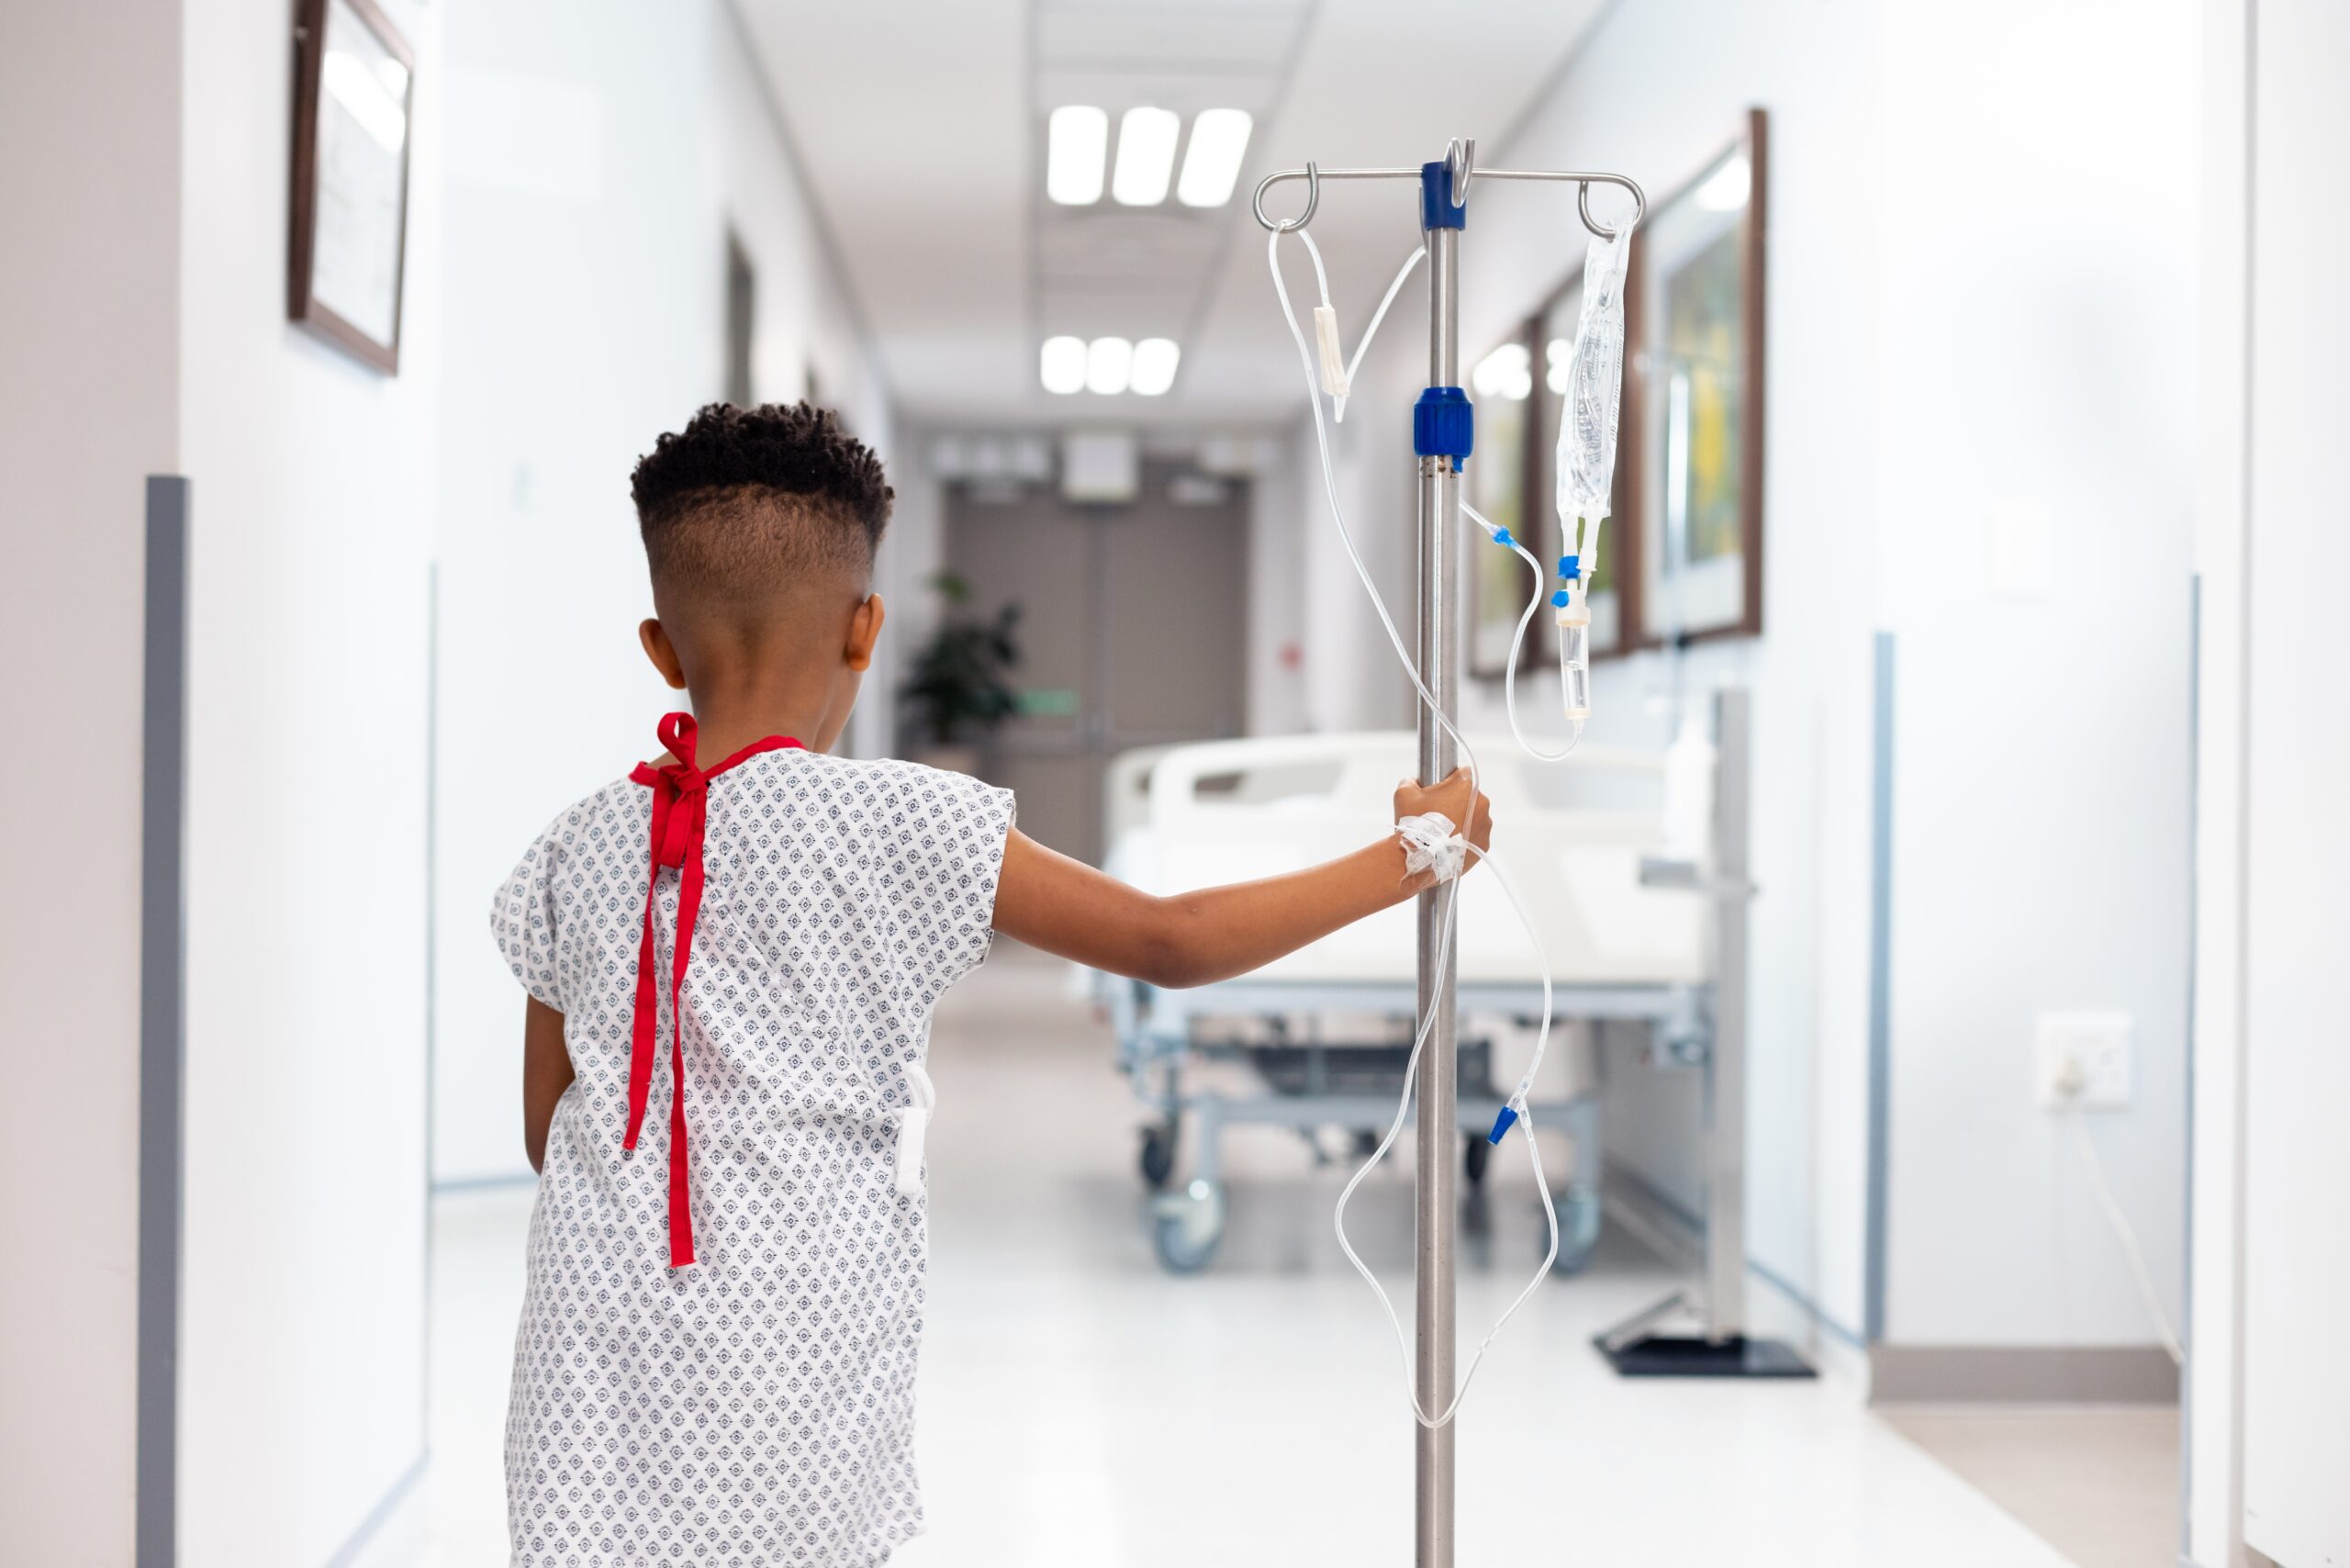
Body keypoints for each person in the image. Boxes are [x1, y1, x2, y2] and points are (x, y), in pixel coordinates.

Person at [488, 401, 1490, 1567]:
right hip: (792, 1365)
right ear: (865, 629)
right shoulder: (905, 822)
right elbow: (1170, 941)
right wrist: (1416, 853)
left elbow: (548, 1128)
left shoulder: (572, 847)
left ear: (661, 648)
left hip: (588, 1375)